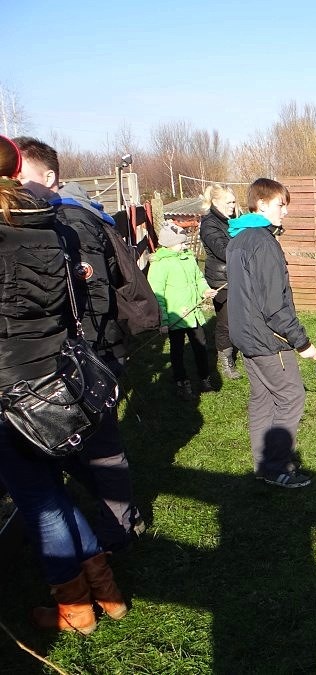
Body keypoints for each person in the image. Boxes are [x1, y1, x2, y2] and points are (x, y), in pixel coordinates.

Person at [0, 135, 128, 633]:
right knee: (50, 489)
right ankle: (106, 592)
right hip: (50, 379)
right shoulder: (47, 227)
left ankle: (74, 609)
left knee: (38, 501)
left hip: (8, 388)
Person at [15, 136, 144, 552]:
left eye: (20, 174)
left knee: (100, 451)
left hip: (87, 354)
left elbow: (95, 294)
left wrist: (70, 351)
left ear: (48, 176)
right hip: (58, 356)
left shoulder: (69, 219)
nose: (12, 182)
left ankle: (117, 533)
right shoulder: (36, 219)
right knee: (69, 448)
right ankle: (121, 519)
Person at [226, 178, 316, 488]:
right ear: (262, 203)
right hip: (268, 339)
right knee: (291, 397)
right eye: (282, 205)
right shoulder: (263, 243)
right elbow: (274, 306)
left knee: (263, 398)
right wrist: (301, 342)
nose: (285, 212)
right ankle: (276, 467)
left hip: (244, 335)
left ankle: (263, 466)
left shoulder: (238, 238)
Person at [148, 221, 216, 401]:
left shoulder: (188, 258)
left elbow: (198, 278)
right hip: (175, 318)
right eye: (181, 243)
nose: (185, 245)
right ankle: (181, 382)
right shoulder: (160, 264)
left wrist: (205, 290)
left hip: (193, 314)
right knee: (177, 352)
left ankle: (204, 378)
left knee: (201, 346)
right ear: (169, 244)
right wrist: (163, 321)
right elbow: (157, 296)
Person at [200, 184, 242, 380]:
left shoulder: (232, 220)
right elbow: (223, 250)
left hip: (237, 275)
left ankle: (242, 348)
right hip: (221, 279)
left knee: (239, 317)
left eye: (234, 201)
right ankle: (226, 360)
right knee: (225, 321)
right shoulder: (209, 224)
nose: (233, 205)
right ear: (216, 202)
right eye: (229, 202)